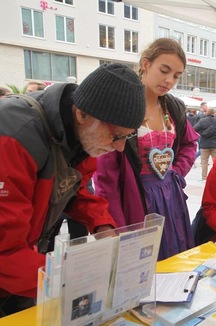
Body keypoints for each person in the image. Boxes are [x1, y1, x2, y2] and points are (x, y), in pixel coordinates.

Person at [0, 63, 145, 316]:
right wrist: (78, 280)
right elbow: (4, 251)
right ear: (82, 114)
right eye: (116, 136)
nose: (120, 148)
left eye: (128, 137)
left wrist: (103, 225)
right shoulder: (13, 139)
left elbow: (74, 192)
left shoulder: (82, 136)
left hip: (25, 264)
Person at [94, 38, 198, 261]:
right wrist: (116, 227)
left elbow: (190, 144)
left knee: (173, 262)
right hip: (134, 199)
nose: (169, 80)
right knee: (139, 264)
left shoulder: (173, 107)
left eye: (176, 76)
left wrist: (177, 171)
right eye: (164, 70)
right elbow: (106, 180)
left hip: (171, 199)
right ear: (145, 64)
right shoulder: (121, 106)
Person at [193, 107, 216, 181]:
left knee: (204, 161)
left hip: (204, 144)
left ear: (207, 112)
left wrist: (202, 133)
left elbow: (194, 129)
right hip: (215, 144)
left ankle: (204, 177)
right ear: (214, 113)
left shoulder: (202, 121)